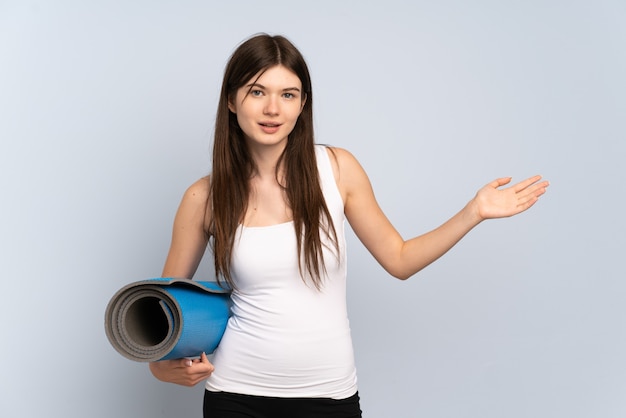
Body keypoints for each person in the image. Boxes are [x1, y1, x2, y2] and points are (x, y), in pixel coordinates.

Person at [148, 34, 549, 418]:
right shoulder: (205, 197)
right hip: (237, 395)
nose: (273, 109)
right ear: (232, 101)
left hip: (328, 395)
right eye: (257, 92)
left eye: (288, 95)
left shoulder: (337, 170)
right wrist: (160, 368)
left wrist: (473, 212)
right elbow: (164, 310)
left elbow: (400, 259)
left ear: (302, 104)